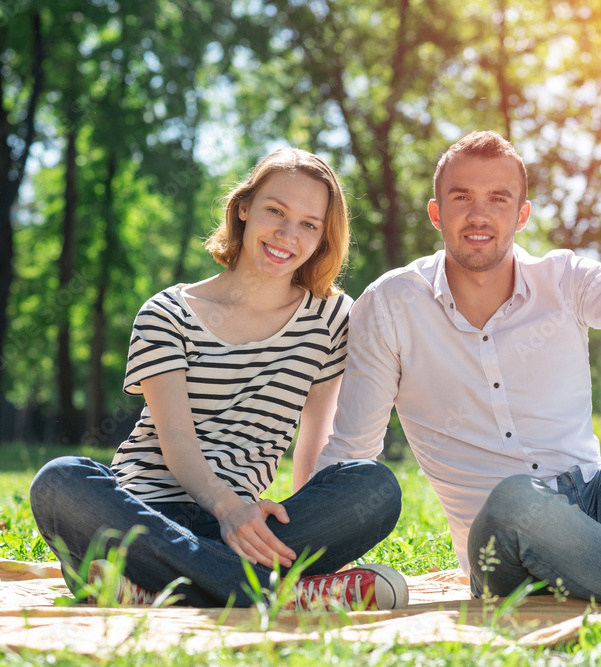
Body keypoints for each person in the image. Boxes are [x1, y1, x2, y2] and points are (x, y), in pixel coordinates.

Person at [313, 131, 601, 607]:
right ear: (436, 213)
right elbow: (352, 452)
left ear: (521, 214)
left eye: (498, 198)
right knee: (515, 498)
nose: (479, 214)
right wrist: (311, 563)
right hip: (504, 550)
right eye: (461, 198)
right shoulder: (390, 304)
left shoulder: (562, 279)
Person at [31, 148, 407, 610]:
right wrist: (227, 508)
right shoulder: (167, 313)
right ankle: (272, 594)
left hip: (249, 530)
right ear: (244, 208)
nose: (288, 234)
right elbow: (176, 440)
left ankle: (161, 587)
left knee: (375, 486)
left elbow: (316, 439)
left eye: (309, 224)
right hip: (144, 516)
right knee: (60, 480)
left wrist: (301, 522)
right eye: (276, 211)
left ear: (324, 236)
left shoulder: (330, 318)